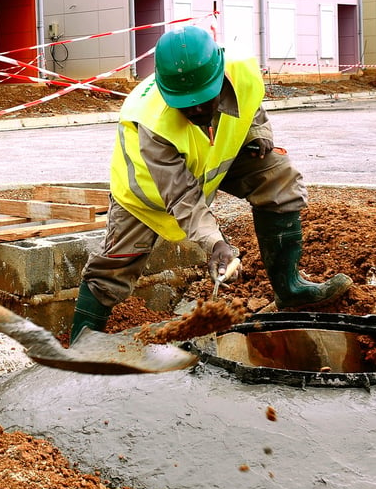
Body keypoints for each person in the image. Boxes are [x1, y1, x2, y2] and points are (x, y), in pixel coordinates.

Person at [70, 25, 352, 342]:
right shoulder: (151, 124)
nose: (197, 111)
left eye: (205, 100)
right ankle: (80, 344)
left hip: (214, 156)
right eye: (185, 105)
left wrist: (259, 133)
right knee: (115, 267)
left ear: (220, 76)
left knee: (278, 177)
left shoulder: (242, 68)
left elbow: (251, 104)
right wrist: (216, 243)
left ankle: (290, 289)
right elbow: (183, 199)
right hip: (145, 196)